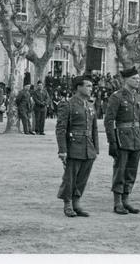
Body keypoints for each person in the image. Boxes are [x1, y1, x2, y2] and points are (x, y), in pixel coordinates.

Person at [56, 75, 99, 217]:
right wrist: (62, 150)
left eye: (91, 86)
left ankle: (77, 202)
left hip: (88, 146)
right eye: (88, 86)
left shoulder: (90, 105)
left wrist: (95, 149)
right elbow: (61, 128)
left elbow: (94, 129)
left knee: (82, 177)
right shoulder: (68, 104)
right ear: (78, 87)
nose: (90, 89)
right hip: (74, 145)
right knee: (70, 177)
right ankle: (67, 203)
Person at [103, 66, 140, 215]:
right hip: (122, 139)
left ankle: (126, 199)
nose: (137, 81)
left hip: (135, 139)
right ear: (126, 80)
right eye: (134, 78)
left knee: (132, 171)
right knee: (120, 170)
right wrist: (112, 142)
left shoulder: (138, 97)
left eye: (138, 78)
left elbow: (139, 120)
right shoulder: (117, 97)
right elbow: (109, 120)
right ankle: (117, 202)